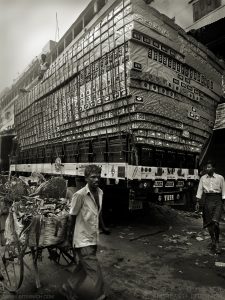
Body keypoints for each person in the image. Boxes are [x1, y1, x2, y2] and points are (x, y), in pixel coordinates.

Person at [62, 165, 110, 300]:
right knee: (95, 271)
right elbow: (72, 218)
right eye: (93, 177)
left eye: (98, 176)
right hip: (82, 240)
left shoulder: (100, 192)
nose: (96, 179)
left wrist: (104, 227)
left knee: (83, 267)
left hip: (93, 237)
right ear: (86, 178)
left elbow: (97, 213)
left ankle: (69, 287)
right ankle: (100, 296)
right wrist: (68, 239)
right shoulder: (80, 195)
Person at [195, 161, 225, 254]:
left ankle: (217, 243)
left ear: (213, 168)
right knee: (209, 223)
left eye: (209, 167)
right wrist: (197, 202)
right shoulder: (203, 178)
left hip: (218, 200)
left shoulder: (220, 178)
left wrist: (223, 202)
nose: (207, 169)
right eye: (206, 167)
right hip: (207, 200)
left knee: (215, 222)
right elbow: (200, 189)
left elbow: (224, 190)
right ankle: (213, 240)